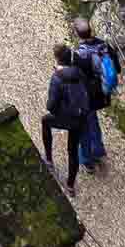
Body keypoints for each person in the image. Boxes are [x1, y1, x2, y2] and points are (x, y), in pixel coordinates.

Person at [73, 16, 121, 171]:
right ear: (91, 29)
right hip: (102, 94)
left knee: (85, 126)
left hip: (86, 96)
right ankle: (98, 151)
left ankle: (87, 160)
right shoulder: (105, 46)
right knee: (92, 122)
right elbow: (117, 69)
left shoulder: (79, 55)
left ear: (77, 33)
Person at [42, 43, 90, 193]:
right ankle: (70, 185)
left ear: (57, 59)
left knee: (45, 121)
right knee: (73, 150)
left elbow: (50, 106)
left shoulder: (57, 78)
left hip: (65, 117)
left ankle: (49, 159)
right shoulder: (80, 72)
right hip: (80, 117)